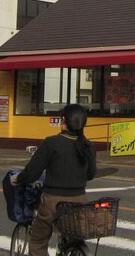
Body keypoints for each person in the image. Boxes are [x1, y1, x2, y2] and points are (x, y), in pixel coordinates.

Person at [11, 104, 96, 256]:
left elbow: (31, 173)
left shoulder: (51, 143)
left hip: (53, 202)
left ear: (63, 121)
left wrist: (17, 178)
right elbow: (90, 175)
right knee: (71, 234)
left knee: (38, 240)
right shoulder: (88, 146)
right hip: (80, 200)